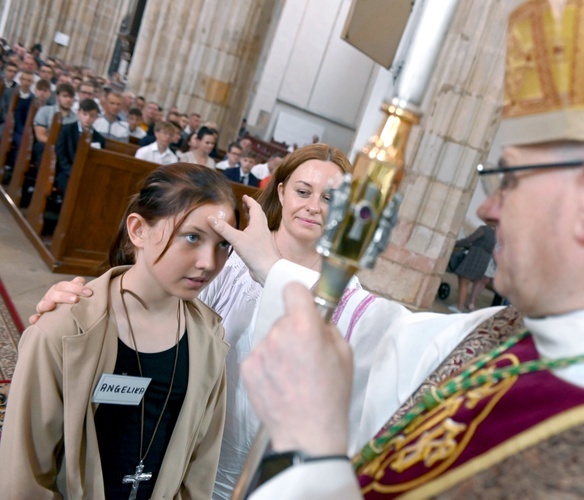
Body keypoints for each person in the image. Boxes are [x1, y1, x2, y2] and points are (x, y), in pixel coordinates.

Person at [230, 0, 584, 497]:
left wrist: (309, 451)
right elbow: (383, 341)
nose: (486, 209)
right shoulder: (531, 330)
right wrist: (272, 269)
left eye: (507, 177)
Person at [32, 143, 409, 499]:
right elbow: (150, 303)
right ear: (280, 192)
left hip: (274, 456)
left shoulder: (346, 294)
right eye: (304, 192)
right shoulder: (227, 263)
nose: (314, 206)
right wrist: (83, 304)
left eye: (329, 198)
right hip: (195, 442)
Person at [0, 163, 236, 497]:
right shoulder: (65, 329)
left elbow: (200, 465)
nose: (208, 262)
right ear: (138, 230)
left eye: (223, 244)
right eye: (192, 237)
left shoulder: (209, 340)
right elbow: (23, 474)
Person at [55, 98, 105, 193]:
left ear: (96, 117)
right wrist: (72, 172)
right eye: (85, 114)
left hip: (87, 175)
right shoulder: (67, 129)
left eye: (92, 116)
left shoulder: (99, 139)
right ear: (78, 113)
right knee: (71, 187)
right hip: (66, 172)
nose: (88, 118)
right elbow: (61, 155)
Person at [448, 224, 495, 312]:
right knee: (465, 281)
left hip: (474, 257)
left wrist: (454, 243)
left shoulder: (484, 229)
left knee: (464, 282)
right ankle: (460, 304)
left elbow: (469, 240)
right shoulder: (495, 235)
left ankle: (459, 307)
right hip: (484, 260)